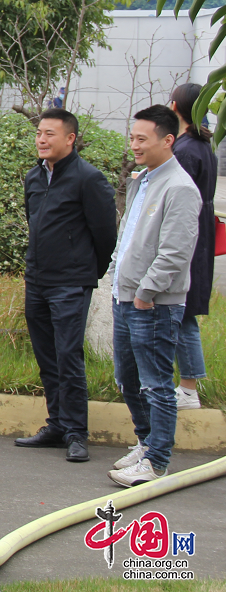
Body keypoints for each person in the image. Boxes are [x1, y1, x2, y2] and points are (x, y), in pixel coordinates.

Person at [106, 105, 202, 487]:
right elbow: (128, 235)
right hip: (124, 297)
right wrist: (116, 274)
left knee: (156, 383)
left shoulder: (178, 187)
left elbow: (176, 251)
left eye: (141, 139)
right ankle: (146, 444)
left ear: (167, 140)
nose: (134, 145)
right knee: (127, 379)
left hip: (153, 304)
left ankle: (157, 460)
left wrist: (146, 293)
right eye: (132, 138)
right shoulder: (142, 180)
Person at [15, 108, 117, 463]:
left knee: (68, 356)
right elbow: (35, 224)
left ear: (70, 138)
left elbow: (105, 234)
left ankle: (76, 432)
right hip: (38, 279)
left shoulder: (88, 179)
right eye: (39, 133)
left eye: (50, 134)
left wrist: (89, 269)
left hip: (71, 282)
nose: (41, 139)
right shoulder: (34, 176)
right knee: (47, 356)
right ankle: (56, 424)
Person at [168, 83, 217, 411]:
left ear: (174, 107)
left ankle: (188, 388)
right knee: (183, 313)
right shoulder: (203, 145)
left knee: (181, 312)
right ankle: (188, 385)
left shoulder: (185, 150)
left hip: (188, 235)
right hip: (200, 233)